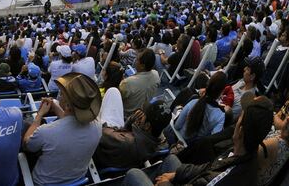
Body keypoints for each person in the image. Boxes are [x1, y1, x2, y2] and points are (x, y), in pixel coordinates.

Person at [123, 95, 275, 186]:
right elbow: (208, 167)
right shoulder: (243, 153)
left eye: (239, 120)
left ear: (240, 130)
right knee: (171, 159)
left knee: (134, 173)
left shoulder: (232, 176)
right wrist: (176, 175)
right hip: (197, 180)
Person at [24, 72, 102, 185]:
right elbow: (71, 123)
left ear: (67, 105)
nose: (60, 95)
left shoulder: (46, 131)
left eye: (62, 94)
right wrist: (56, 107)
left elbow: (28, 145)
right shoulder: (98, 126)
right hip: (78, 180)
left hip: (44, 183)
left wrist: (39, 116)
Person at [93, 94, 172, 170]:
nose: (141, 115)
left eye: (144, 115)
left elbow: (99, 131)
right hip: (122, 153)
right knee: (113, 92)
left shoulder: (124, 141)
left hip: (98, 154)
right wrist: (131, 123)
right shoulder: (156, 144)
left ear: (147, 126)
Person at [174, 70, 226, 143]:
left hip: (177, 139)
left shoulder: (193, 102)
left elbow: (177, 126)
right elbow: (212, 140)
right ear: (222, 92)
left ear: (207, 86)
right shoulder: (220, 116)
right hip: (192, 150)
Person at [119, 48, 160, 118]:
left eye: (137, 59)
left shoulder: (128, 82)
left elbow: (118, 98)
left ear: (142, 66)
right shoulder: (156, 75)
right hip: (142, 114)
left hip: (124, 114)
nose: (135, 61)